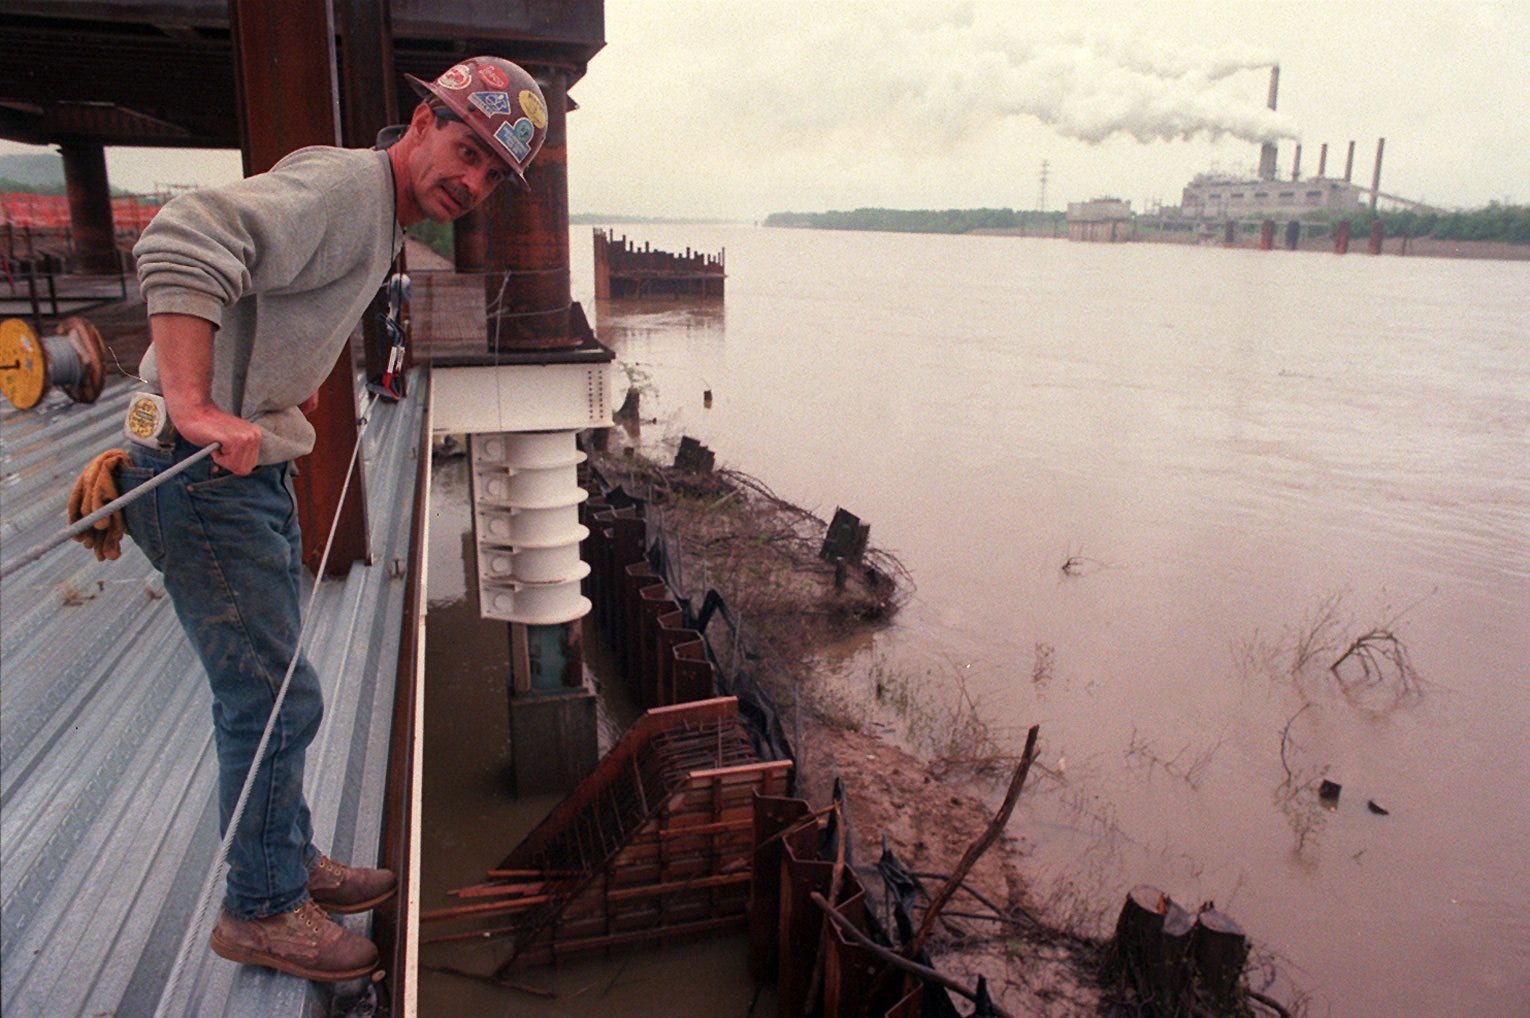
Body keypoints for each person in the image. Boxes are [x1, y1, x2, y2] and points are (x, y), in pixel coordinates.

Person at [120, 56, 549, 982]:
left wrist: (274, 399)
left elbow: (268, 299)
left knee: (281, 686)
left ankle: (287, 858)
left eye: (489, 174)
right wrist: (195, 407)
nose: (469, 180)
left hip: (243, 470)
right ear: (421, 119)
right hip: (200, 477)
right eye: (465, 148)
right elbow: (187, 235)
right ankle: (263, 907)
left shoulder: (378, 214)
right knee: (270, 697)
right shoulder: (348, 190)